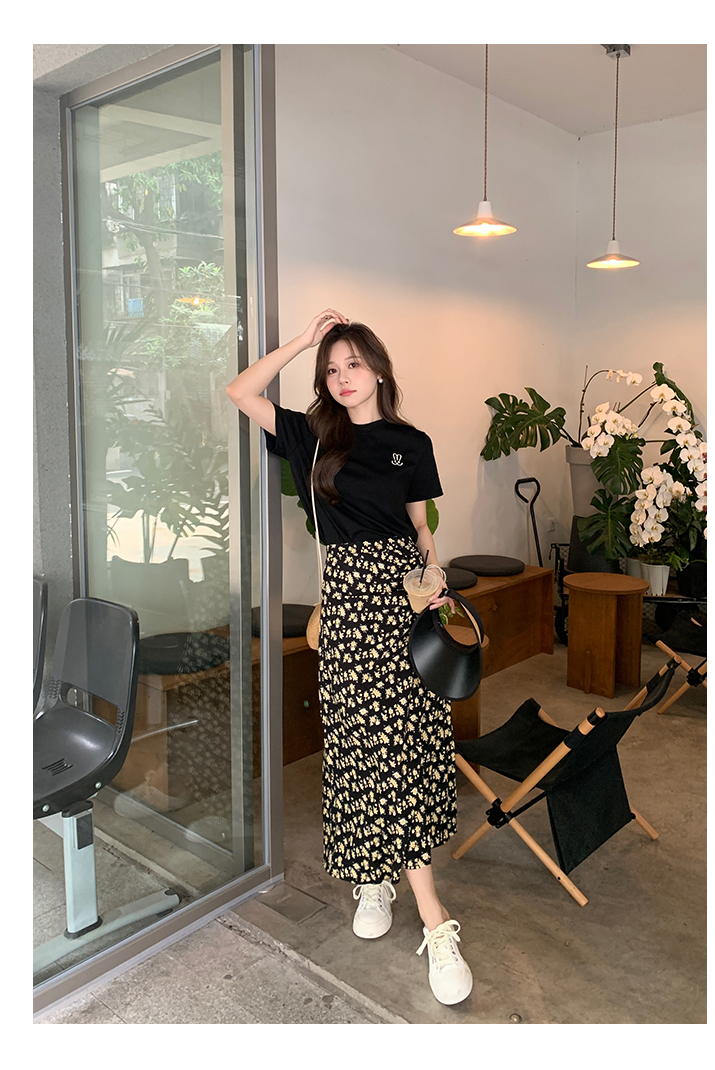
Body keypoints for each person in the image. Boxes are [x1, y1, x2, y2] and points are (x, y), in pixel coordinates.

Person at [226, 309, 472, 1005]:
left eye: (353, 364)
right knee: (360, 748)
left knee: (405, 749)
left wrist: (432, 576)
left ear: (380, 371)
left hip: (404, 604)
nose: (341, 377)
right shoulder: (312, 436)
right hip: (347, 605)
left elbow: (421, 527)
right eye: (331, 368)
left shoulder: (411, 443)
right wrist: (303, 341)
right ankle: (373, 878)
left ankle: (434, 919)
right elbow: (240, 391)